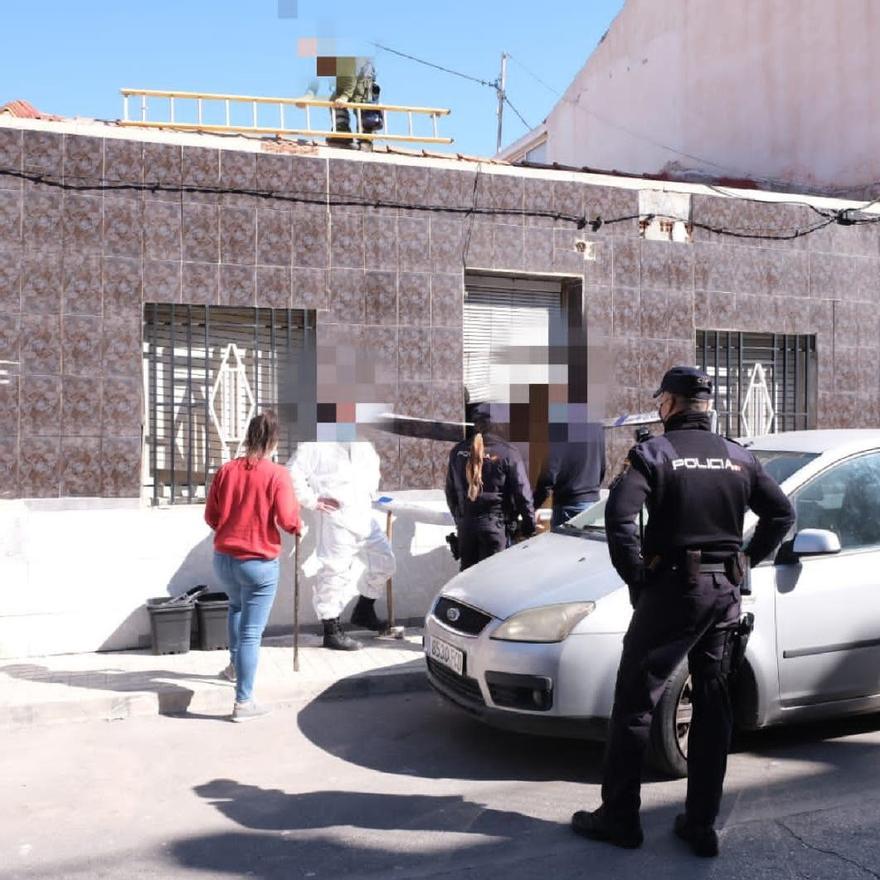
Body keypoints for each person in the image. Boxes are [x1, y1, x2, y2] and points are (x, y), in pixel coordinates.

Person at [571, 366, 794, 856]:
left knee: (635, 702)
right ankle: (700, 825)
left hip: (672, 591)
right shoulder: (739, 456)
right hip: (724, 595)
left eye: (662, 401)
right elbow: (782, 514)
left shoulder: (653, 453)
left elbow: (620, 517)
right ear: (707, 406)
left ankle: (621, 819)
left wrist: (637, 578)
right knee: (714, 705)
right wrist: (746, 560)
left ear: (669, 404)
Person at [205, 410, 302, 723]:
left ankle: (234, 666)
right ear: (274, 440)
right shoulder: (276, 474)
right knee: (251, 633)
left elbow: (211, 517)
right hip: (258, 563)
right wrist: (299, 526)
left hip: (224, 559)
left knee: (235, 608)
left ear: (249, 436)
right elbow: (288, 519)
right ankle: (243, 702)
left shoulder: (226, 470)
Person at [287, 440, 395, 651]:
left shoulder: (363, 444)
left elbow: (373, 472)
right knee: (334, 573)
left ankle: (364, 610)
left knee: (385, 562)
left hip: (364, 516)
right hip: (335, 518)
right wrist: (311, 500)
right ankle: (331, 630)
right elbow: (291, 474)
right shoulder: (313, 444)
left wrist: (370, 494)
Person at [445, 405, 536, 570]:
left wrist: (460, 519)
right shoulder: (508, 452)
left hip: (466, 528)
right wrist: (529, 527)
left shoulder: (457, 451)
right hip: (495, 527)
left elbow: (450, 492)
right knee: (493, 580)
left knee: (467, 581)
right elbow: (522, 493)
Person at [533, 425, 606, 529]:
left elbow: (549, 473)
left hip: (568, 504)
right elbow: (602, 465)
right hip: (591, 503)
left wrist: (534, 504)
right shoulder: (596, 426)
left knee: (564, 543)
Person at [327, 59, 382, 149]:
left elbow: (351, 75)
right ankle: (342, 131)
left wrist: (345, 96)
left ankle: (366, 139)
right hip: (345, 82)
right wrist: (309, 95)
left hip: (362, 81)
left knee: (363, 108)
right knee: (335, 101)